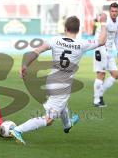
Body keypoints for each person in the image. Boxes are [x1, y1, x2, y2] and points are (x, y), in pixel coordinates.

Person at [10, 13, 107, 144]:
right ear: (78, 30)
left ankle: (67, 125)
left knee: (63, 104)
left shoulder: (55, 40)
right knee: (49, 120)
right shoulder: (82, 44)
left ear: (65, 28)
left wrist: (25, 65)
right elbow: (102, 41)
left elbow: (36, 51)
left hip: (52, 81)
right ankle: (18, 130)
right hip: (62, 85)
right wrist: (103, 22)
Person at [93, 2, 118, 107]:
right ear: (109, 11)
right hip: (101, 50)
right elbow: (98, 35)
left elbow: (117, 37)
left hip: (110, 52)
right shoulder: (105, 22)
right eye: (112, 11)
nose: (114, 13)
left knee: (115, 75)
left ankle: (100, 94)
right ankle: (96, 100)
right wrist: (97, 50)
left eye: (116, 11)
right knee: (101, 74)